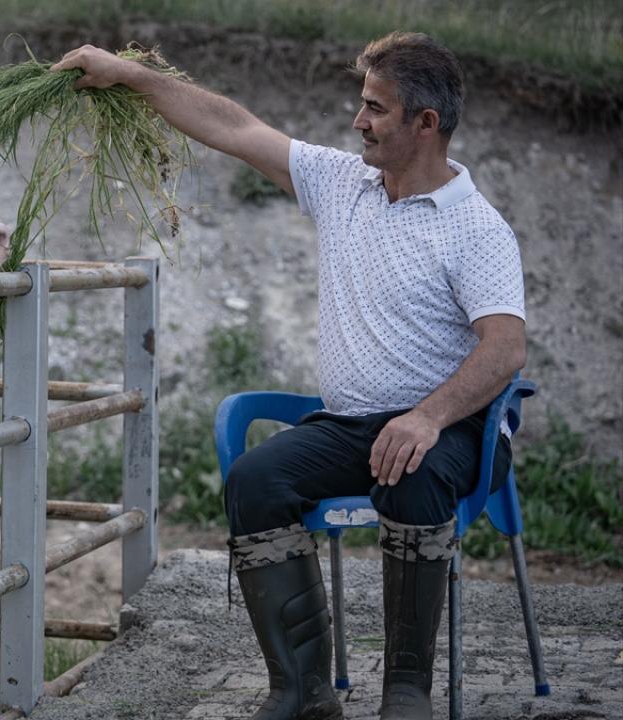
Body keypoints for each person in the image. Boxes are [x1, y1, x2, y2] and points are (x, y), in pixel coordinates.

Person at [51, 32, 526, 720]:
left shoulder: (477, 229)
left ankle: (406, 693)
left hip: (455, 429)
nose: (357, 121)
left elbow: (504, 349)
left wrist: (426, 417)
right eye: (362, 104)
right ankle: (303, 694)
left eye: (375, 108)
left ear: (426, 123)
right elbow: (236, 129)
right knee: (256, 481)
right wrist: (130, 75)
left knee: (414, 474)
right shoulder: (342, 183)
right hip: (351, 425)